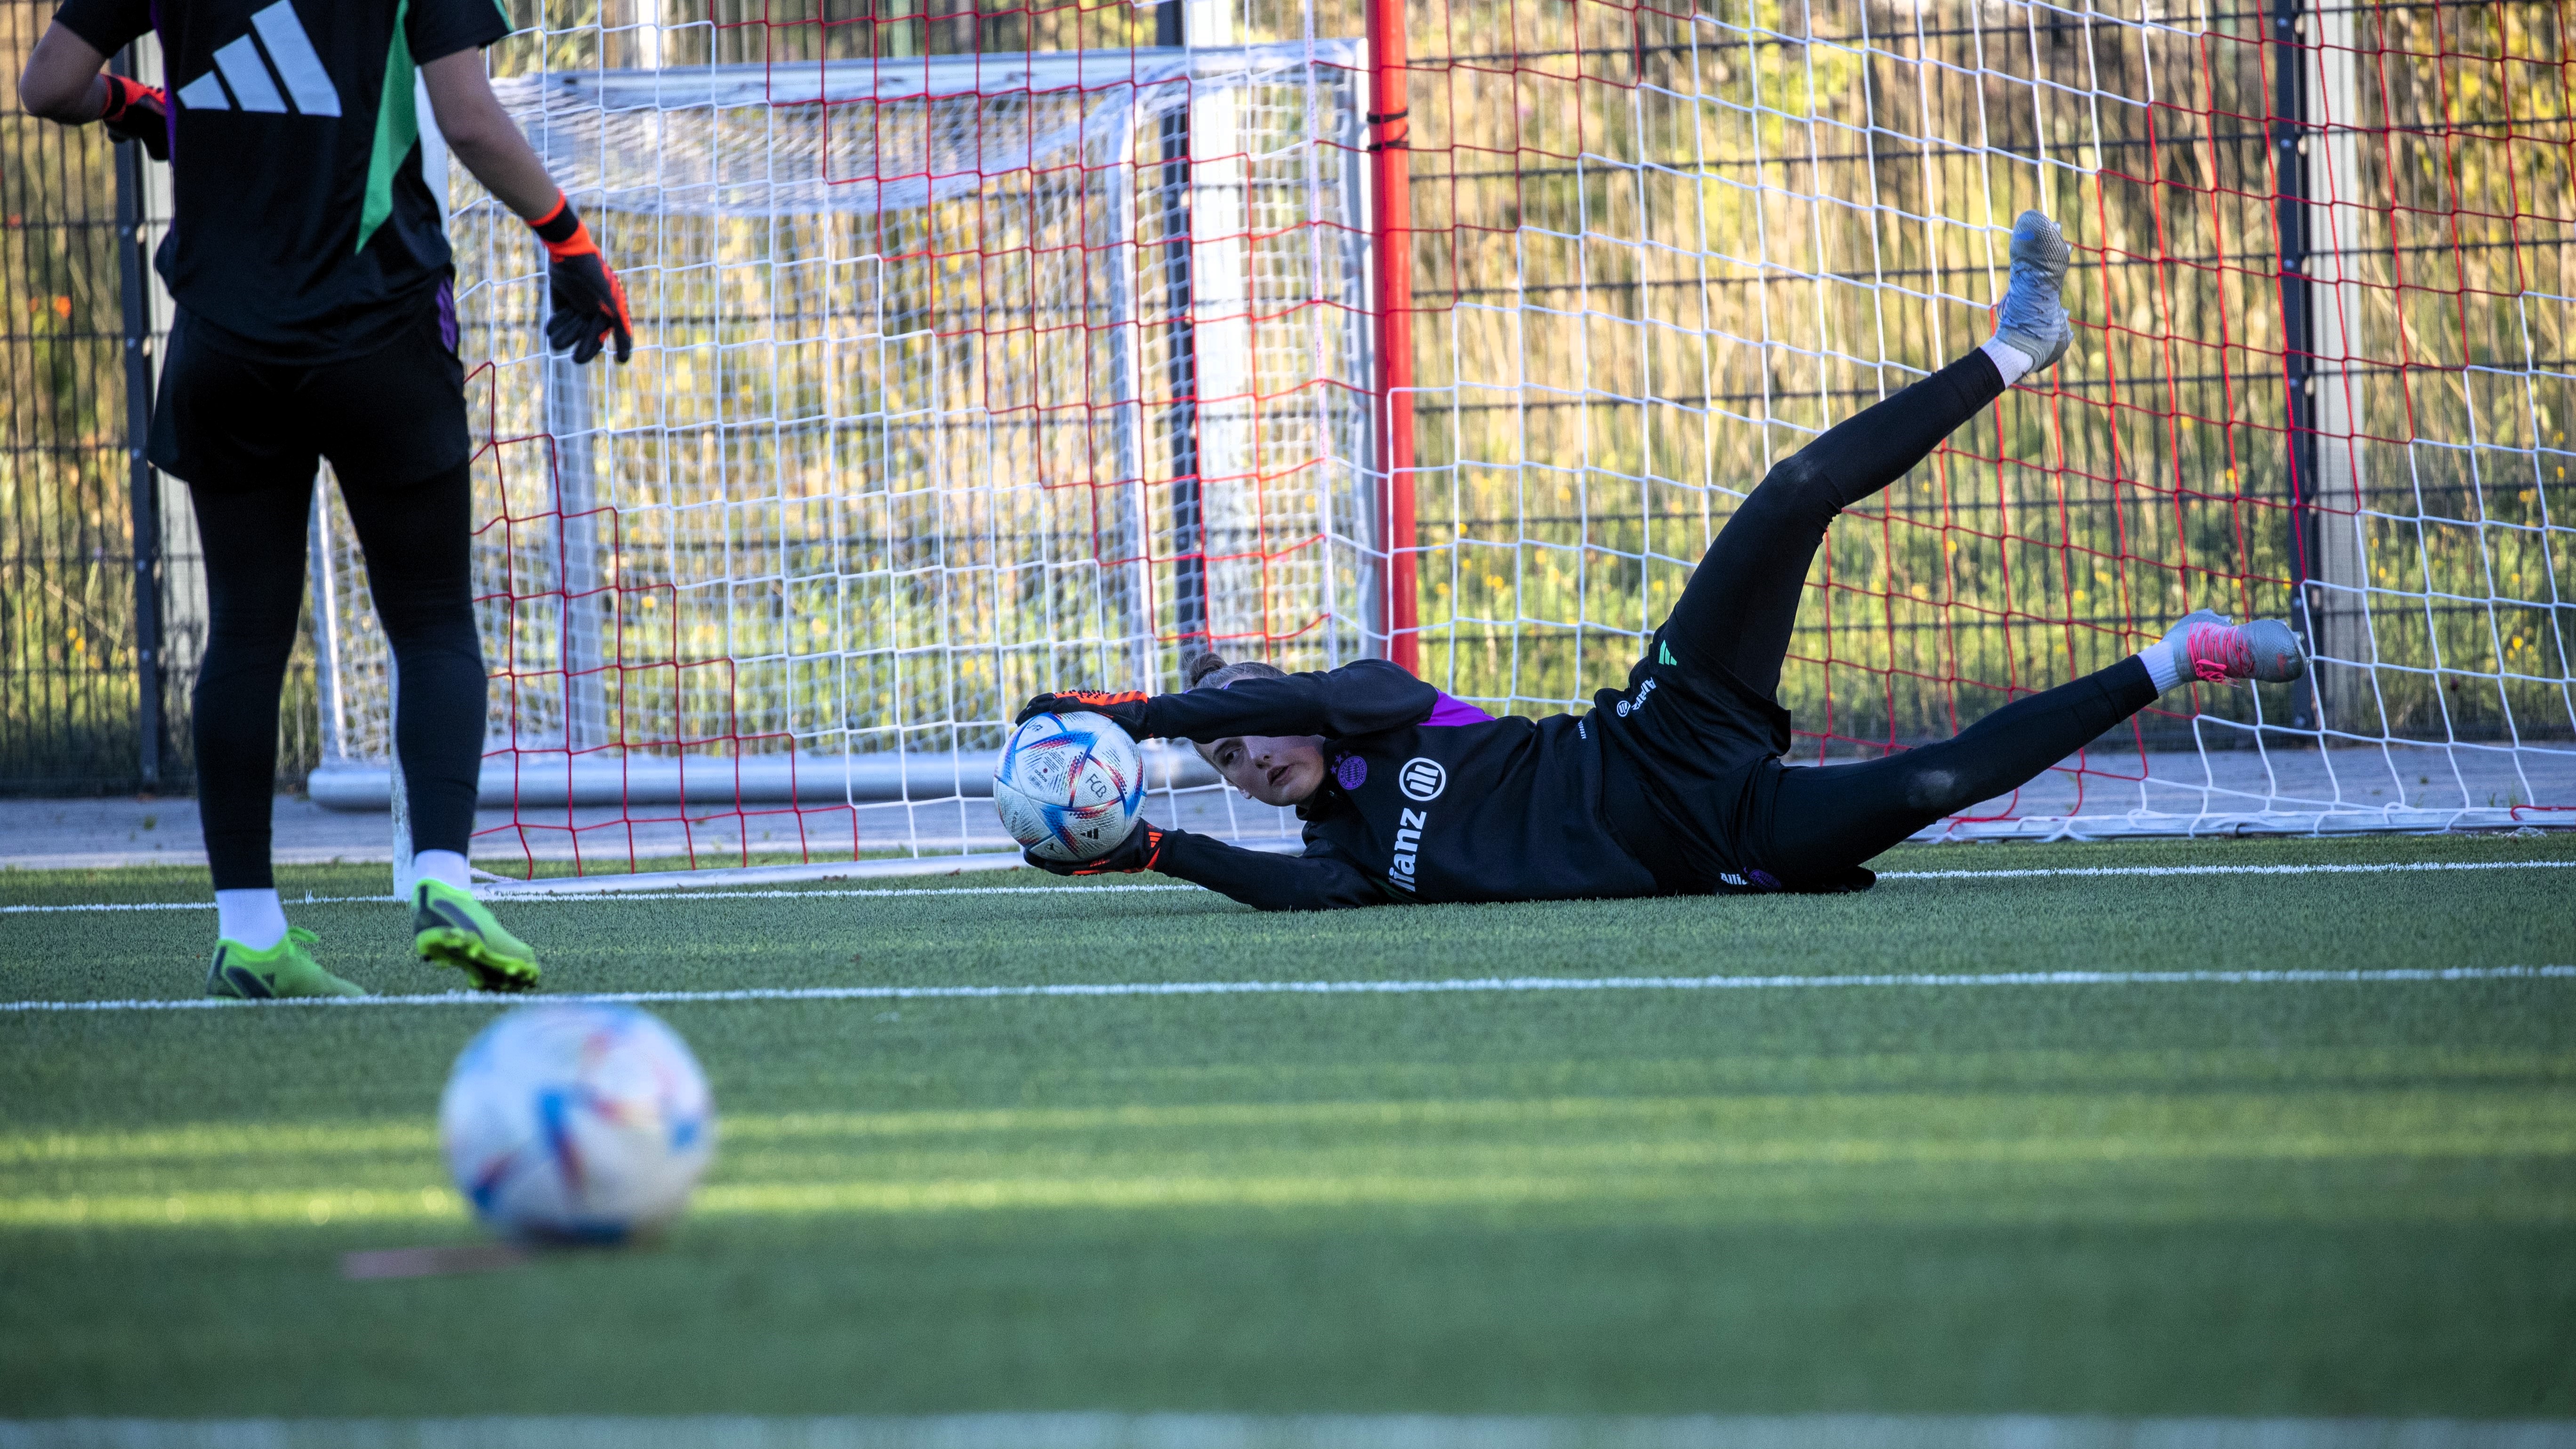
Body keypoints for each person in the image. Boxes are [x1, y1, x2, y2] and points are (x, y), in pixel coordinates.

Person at [1014, 212, 2306, 911]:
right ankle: (2179, 654)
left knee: (1793, 493)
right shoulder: (1342, 861)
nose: (1251, 759)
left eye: (1250, 725)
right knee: (1934, 780)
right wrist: (1136, 845)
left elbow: (1306, 704)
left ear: (1283, 696)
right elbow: (1263, 885)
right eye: (1230, 766)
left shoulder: (1371, 702)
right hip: (1718, 841)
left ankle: (2018, 346)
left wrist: (1128, 715)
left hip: (1655, 728)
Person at [20, 0, 635, 995]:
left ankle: (250, 934)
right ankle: (441, 876)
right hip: (379, 330)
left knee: (248, 635)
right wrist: (567, 240)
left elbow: (47, 84)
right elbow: (467, 117)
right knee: (433, 622)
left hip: (224, 339)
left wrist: (133, 103)